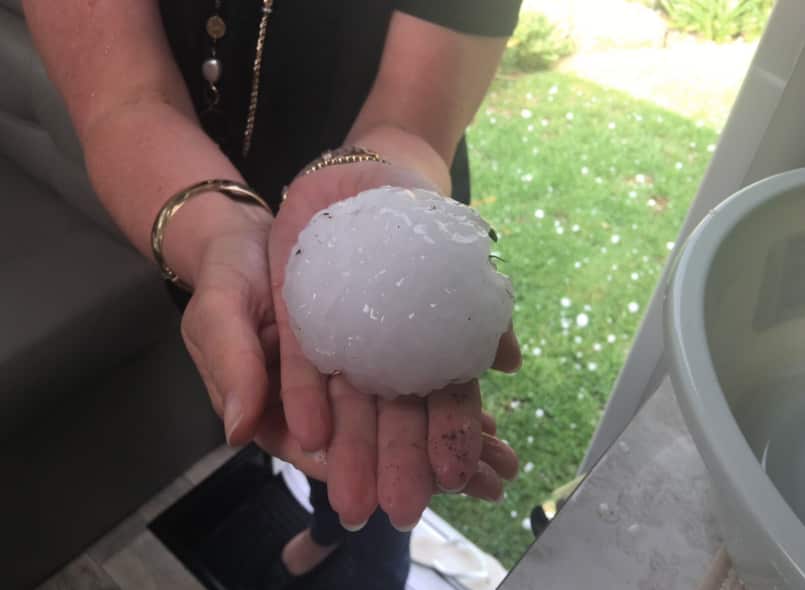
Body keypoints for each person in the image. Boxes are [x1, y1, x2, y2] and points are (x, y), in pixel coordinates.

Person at [23, 0, 523, 587]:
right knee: (298, 414)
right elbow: (123, 101)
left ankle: (379, 564)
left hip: (390, 187)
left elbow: (414, 116)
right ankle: (328, 527)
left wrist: (379, 175)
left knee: (383, 454)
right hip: (197, 205)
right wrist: (215, 235)